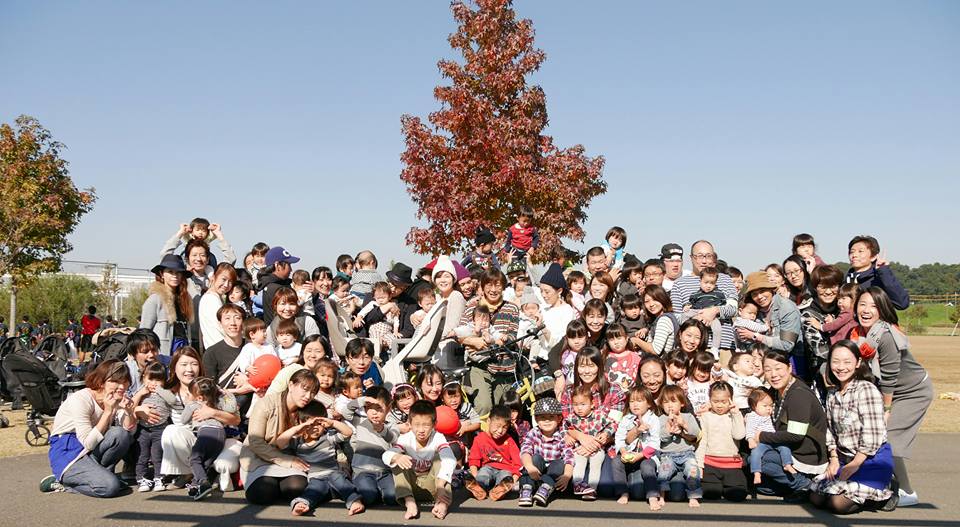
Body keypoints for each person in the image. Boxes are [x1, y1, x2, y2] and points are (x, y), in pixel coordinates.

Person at [850, 287, 932, 507]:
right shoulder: (858, 334)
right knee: (871, 435)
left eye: (873, 306)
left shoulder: (885, 335)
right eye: (862, 304)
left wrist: (886, 410)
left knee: (890, 439)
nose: (866, 310)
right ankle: (882, 483)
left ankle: (907, 492)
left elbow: (889, 377)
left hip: (913, 391)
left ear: (882, 310)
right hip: (890, 391)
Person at [811, 341, 895, 514]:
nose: (841, 367)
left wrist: (856, 463)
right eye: (836, 361)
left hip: (871, 459)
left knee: (837, 504)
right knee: (816, 498)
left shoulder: (866, 389)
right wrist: (834, 458)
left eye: (847, 362)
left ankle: (885, 494)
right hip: (845, 458)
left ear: (858, 363)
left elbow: (873, 433)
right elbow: (830, 430)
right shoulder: (832, 394)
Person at [42, 359, 136, 497]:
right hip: (69, 452)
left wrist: (128, 411)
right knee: (110, 488)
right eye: (115, 381)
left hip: (90, 450)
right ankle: (64, 483)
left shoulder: (115, 398)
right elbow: (88, 443)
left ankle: (102, 476)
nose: (121, 386)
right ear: (101, 382)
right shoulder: (81, 399)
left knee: (120, 434)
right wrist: (107, 412)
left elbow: (129, 432)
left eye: (125, 381)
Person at [160, 347, 241, 491]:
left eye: (194, 364)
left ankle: (210, 474)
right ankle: (188, 474)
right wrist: (139, 408)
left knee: (225, 465)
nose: (189, 369)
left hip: (222, 439)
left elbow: (236, 420)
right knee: (171, 431)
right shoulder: (169, 393)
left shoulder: (212, 389)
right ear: (174, 368)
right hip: (193, 440)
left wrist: (213, 412)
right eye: (183, 364)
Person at [754, 350, 828, 500]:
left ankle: (805, 485)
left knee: (759, 459)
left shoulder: (798, 394)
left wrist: (762, 436)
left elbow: (796, 434)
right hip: (787, 449)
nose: (773, 374)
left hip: (806, 454)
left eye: (778, 368)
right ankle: (795, 486)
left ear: (789, 368)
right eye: (768, 370)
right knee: (762, 487)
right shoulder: (776, 391)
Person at [240, 369, 320, 504]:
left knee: (297, 488)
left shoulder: (310, 409)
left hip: (291, 456)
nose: (308, 396)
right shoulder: (266, 404)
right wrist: (285, 460)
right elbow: (255, 441)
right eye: (305, 389)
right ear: (291, 385)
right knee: (263, 492)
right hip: (260, 456)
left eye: (313, 392)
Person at [281, 401, 362, 516]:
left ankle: (354, 501)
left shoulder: (327, 437)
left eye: (318, 424)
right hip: (316, 478)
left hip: (334, 474)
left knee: (341, 481)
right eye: (310, 424)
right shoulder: (297, 442)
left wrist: (332, 422)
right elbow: (280, 442)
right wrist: (298, 428)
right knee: (313, 490)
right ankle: (302, 504)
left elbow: (348, 432)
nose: (315, 428)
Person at [458, 268, 519, 416]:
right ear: (482, 286)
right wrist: (474, 341)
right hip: (479, 365)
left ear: (503, 287)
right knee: (484, 406)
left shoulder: (512, 308)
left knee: (502, 411)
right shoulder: (471, 307)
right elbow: (459, 336)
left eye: (497, 285)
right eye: (489, 285)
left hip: (503, 368)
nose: (493, 290)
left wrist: (496, 342)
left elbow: (512, 336)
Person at [384, 400, 457, 520]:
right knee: (396, 459)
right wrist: (397, 457)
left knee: (442, 460)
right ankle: (409, 502)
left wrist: (440, 485)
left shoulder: (438, 437)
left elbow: (450, 459)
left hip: (435, 487)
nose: (421, 430)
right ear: (409, 423)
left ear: (434, 424)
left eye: (426, 425)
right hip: (411, 487)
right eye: (417, 425)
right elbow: (386, 455)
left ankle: (442, 503)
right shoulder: (405, 439)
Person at [670, 241, 738, 363]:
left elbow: (733, 309)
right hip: (692, 348)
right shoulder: (679, 284)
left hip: (723, 348)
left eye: (708, 256)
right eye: (700, 256)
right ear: (691, 258)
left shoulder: (725, 280)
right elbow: (676, 317)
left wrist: (714, 311)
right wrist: (696, 317)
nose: (704, 261)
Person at [736, 272, 806, 381]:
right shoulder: (755, 311)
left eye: (762, 291)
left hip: (790, 362)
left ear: (771, 289)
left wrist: (756, 336)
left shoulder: (787, 308)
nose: (759, 297)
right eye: (754, 294)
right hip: (764, 366)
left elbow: (787, 344)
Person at [181, 377, 232, 500]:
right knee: (205, 463)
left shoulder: (193, 404)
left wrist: (188, 404)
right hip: (220, 434)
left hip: (206, 432)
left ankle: (204, 483)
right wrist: (226, 394)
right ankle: (195, 486)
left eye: (190, 393)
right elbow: (231, 408)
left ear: (199, 397)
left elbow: (183, 419)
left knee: (194, 459)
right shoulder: (218, 403)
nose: (188, 395)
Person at [696, 382, 748, 502]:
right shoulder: (705, 417)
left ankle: (728, 486)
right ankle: (718, 486)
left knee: (738, 494)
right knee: (711, 493)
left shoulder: (734, 415)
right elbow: (702, 442)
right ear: (710, 400)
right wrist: (699, 464)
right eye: (715, 401)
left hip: (731, 463)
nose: (719, 405)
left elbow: (739, 435)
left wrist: (736, 414)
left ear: (730, 400)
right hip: (710, 463)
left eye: (724, 402)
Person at [517, 397, 574, 508]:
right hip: (534, 473)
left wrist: (567, 475)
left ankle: (544, 489)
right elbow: (525, 450)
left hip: (551, 477)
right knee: (535, 458)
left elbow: (569, 457)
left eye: (551, 417)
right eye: (542, 417)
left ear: (559, 418)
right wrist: (529, 467)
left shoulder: (562, 436)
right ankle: (527, 488)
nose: (547, 421)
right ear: (536, 419)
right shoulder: (534, 432)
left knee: (559, 463)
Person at [612, 386, 660, 508]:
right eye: (632, 401)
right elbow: (619, 438)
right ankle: (623, 492)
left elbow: (654, 443)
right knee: (616, 462)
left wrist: (640, 455)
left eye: (639, 401)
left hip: (646, 456)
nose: (635, 404)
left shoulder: (653, 419)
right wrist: (623, 451)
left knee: (647, 467)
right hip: (629, 454)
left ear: (649, 404)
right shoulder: (626, 419)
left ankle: (653, 496)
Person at [131, 361, 175, 492]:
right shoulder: (141, 391)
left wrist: (160, 390)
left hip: (160, 429)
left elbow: (172, 400)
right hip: (143, 429)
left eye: (158, 380)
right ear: (143, 378)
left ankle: (159, 478)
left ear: (164, 381)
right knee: (142, 456)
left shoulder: (165, 392)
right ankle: (142, 479)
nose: (154, 383)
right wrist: (140, 393)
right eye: (150, 379)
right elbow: (131, 406)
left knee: (157, 456)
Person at [656, 385, 702, 507]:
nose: (669, 405)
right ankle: (661, 496)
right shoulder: (661, 419)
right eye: (666, 402)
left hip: (687, 453)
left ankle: (693, 496)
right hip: (667, 455)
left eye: (673, 401)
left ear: (681, 403)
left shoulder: (688, 416)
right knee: (663, 472)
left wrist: (684, 425)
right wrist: (668, 428)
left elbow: (696, 434)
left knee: (693, 471)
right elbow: (660, 437)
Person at [566, 384, 614, 500]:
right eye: (575, 405)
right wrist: (568, 436)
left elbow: (612, 425)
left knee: (595, 465)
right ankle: (578, 484)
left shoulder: (599, 415)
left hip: (597, 448)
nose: (579, 408)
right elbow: (565, 428)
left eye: (583, 404)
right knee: (579, 463)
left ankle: (592, 489)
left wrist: (606, 433)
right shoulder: (572, 417)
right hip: (580, 448)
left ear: (592, 404)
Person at [465, 405, 522, 501]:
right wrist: (475, 477)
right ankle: (478, 488)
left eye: (504, 427)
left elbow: (518, 463)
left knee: (505, 478)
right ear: (488, 421)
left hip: (505, 469)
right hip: (487, 467)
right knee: (483, 475)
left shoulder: (509, 440)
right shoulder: (479, 438)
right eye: (497, 426)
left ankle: (499, 492)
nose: (500, 431)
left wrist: (513, 480)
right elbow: (474, 459)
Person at [140, 254, 192, 356]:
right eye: (170, 272)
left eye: (178, 272)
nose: (175, 276)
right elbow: (143, 332)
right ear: (162, 274)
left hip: (183, 349)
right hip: (163, 352)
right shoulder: (155, 299)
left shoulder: (185, 299)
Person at [745, 387, 796, 486]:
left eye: (771, 405)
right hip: (761, 442)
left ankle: (787, 464)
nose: (769, 408)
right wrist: (750, 440)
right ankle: (756, 473)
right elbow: (749, 429)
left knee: (784, 447)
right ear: (754, 406)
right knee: (755, 454)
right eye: (765, 406)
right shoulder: (752, 416)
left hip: (772, 440)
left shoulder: (769, 415)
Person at [845, 235, 909, 310]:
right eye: (852, 252)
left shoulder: (880, 278)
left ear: (873, 257)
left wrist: (884, 271)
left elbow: (902, 304)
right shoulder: (845, 281)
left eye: (860, 251)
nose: (854, 255)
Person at [681, 267, 726, 359]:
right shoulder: (695, 294)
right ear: (700, 281)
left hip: (712, 315)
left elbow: (722, 306)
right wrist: (687, 306)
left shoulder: (719, 293)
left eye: (712, 283)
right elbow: (691, 303)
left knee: (717, 328)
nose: (708, 286)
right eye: (706, 282)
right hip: (697, 311)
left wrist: (715, 313)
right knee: (685, 314)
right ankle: (683, 332)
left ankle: (715, 348)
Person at [198, 263, 236, 350]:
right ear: (214, 277)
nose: (226, 285)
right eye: (223, 279)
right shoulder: (211, 299)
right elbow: (222, 328)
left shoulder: (214, 297)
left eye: (230, 282)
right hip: (219, 349)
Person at [259, 246, 300, 326]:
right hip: (282, 331)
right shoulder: (275, 288)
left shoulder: (275, 284)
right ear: (278, 265)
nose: (291, 269)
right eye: (288, 265)